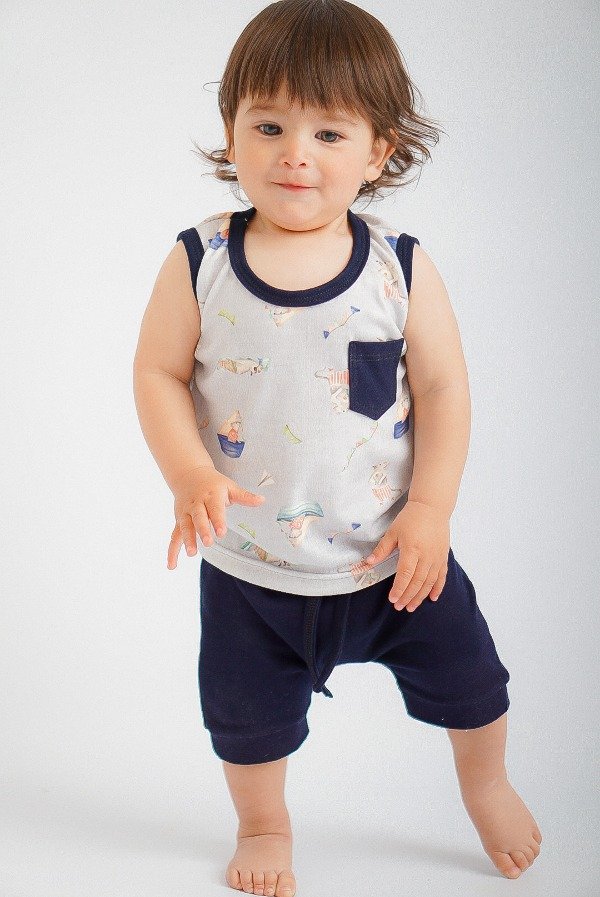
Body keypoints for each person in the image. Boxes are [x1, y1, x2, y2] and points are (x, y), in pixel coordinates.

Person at [132, 2, 542, 894]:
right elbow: (157, 371)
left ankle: (486, 783)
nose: (295, 154)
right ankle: (264, 823)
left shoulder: (398, 266)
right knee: (243, 717)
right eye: (269, 126)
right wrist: (189, 470)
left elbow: (444, 389)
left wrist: (431, 508)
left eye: (328, 132)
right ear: (231, 131)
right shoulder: (201, 259)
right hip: (253, 566)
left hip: (395, 557)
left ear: (378, 151)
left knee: (473, 678)